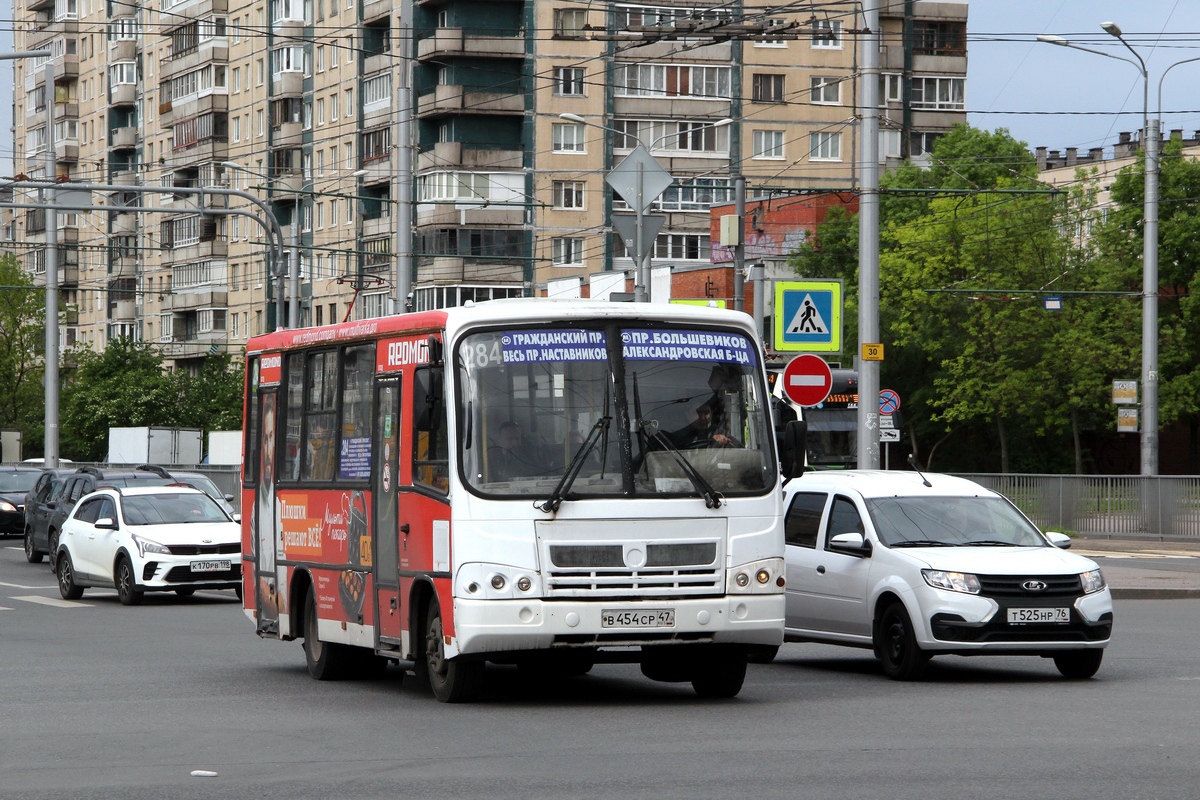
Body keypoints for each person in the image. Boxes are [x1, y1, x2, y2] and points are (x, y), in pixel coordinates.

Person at [666, 401, 740, 449]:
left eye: (707, 412)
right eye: (698, 413)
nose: (703, 418)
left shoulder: (720, 433)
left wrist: (725, 441)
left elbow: (741, 452)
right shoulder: (678, 436)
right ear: (687, 415)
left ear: (711, 414)